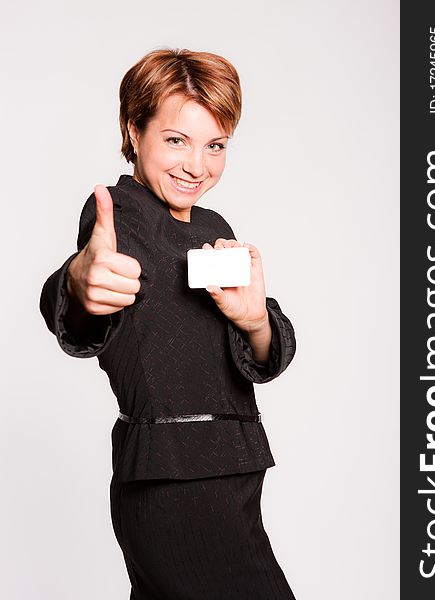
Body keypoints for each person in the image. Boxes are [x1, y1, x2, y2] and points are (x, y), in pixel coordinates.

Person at [39, 47, 297, 599]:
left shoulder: (214, 224)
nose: (197, 166)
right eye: (177, 140)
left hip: (234, 473)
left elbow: (263, 355)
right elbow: (82, 303)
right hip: (172, 483)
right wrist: (79, 286)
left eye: (216, 146)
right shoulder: (119, 215)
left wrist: (254, 321)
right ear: (134, 131)